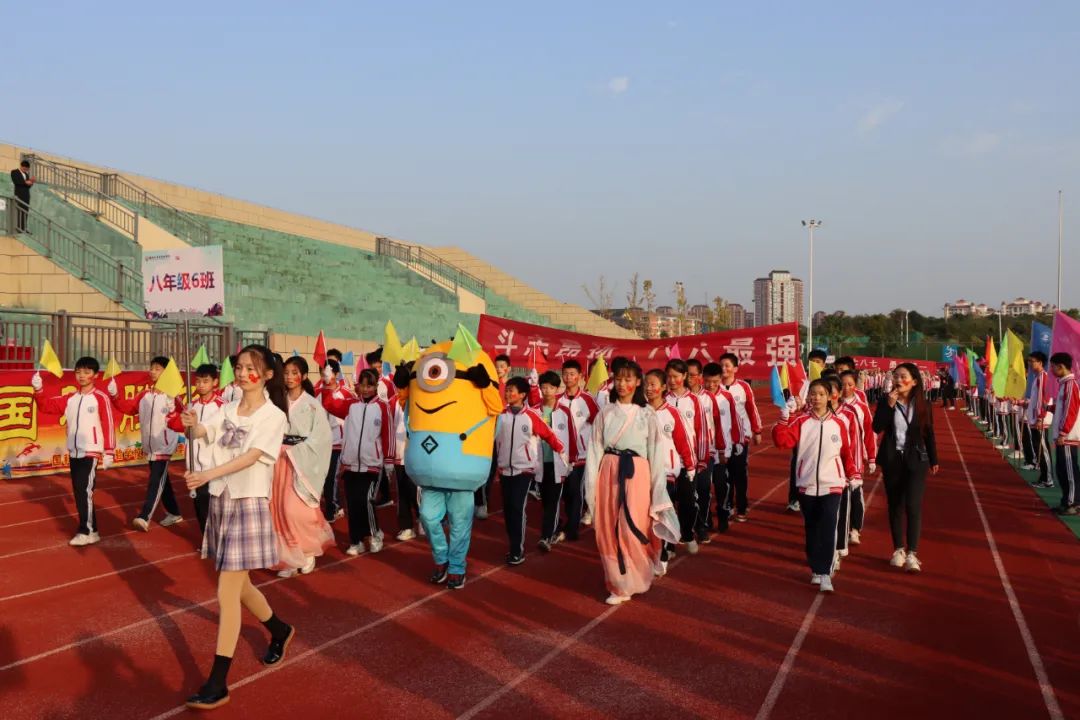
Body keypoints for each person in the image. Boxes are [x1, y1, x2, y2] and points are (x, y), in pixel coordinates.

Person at [180, 345, 294, 710]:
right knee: (241, 585)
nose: (244, 373)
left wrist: (206, 474)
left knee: (227, 590)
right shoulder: (227, 408)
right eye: (240, 367)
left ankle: (218, 682)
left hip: (247, 502)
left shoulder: (274, 416)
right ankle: (279, 630)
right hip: (221, 500)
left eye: (251, 367)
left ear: (268, 374)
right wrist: (192, 425)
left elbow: (250, 457)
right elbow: (207, 433)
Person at [583, 361, 679, 605]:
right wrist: (591, 489)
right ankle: (619, 583)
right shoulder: (605, 413)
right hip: (609, 472)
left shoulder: (647, 415)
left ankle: (639, 573)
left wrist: (657, 490)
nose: (623, 385)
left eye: (628, 380)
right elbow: (594, 452)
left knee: (632, 527)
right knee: (608, 528)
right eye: (619, 380)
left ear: (638, 382)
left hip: (637, 474)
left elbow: (656, 455)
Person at [773, 379, 858, 593]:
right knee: (812, 528)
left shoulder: (839, 423)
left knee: (829, 526)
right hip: (807, 484)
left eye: (821, 394)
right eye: (813, 393)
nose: (816, 397)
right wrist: (784, 418)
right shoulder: (801, 421)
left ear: (830, 397)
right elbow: (782, 442)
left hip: (833, 485)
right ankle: (815, 568)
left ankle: (826, 573)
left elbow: (846, 451)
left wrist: (853, 473)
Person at [31, 357, 115, 546]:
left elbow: (108, 424)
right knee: (81, 491)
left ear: (95, 375)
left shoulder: (100, 398)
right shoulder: (71, 398)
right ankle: (92, 531)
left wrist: (109, 451)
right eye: (78, 372)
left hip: (91, 450)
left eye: (86, 372)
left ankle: (85, 530)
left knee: (84, 491)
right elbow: (47, 407)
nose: (82, 376)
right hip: (75, 451)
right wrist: (38, 390)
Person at [271, 357, 334, 578]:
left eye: (294, 372)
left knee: (295, 509)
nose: (289, 377)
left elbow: (322, 438)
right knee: (278, 510)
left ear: (304, 376)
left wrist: (295, 450)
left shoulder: (312, 404)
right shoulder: (278, 401)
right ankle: (288, 558)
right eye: (286, 372)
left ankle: (307, 551)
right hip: (280, 462)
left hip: (301, 463)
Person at [873, 362, 939, 573]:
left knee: (913, 505)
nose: (898, 380)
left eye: (903, 377)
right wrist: (889, 405)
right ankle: (898, 550)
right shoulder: (886, 401)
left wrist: (934, 459)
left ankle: (912, 553)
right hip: (893, 459)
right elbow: (877, 427)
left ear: (914, 381)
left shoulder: (923, 405)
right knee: (895, 505)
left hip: (916, 461)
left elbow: (929, 433)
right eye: (896, 376)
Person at [109, 356, 186, 532]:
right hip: (150, 445)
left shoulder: (173, 397)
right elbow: (127, 408)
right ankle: (174, 512)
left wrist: (174, 409)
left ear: (167, 373)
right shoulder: (144, 395)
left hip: (164, 445)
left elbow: (184, 418)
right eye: (151, 368)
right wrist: (114, 395)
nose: (152, 371)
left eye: (157, 369)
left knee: (154, 481)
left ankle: (144, 516)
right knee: (161, 482)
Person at [493, 376, 565, 565]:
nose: (508, 393)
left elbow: (549, 435)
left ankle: (517, 550)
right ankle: (514, 545)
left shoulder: (531, 416)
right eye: (506, 390)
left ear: (523, 395)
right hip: (505, 470)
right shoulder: (500, 415)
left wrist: (563, 453)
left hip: (524, 470)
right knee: (508, 511)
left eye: (512, 390)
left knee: (517, 508)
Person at [322, 368, 393, 556]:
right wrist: (328, 384)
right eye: (363, 385)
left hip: (372, 464)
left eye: (370, 385)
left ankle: (374, 534)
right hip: (351, 463)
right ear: (358, 385)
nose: (366, 389)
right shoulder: (351, 405)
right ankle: (356, 541)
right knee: (353, 504)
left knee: (367, 500)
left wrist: (388, 460)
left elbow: (388, 434)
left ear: (376, 386)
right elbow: (329, 404)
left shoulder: (383, 407)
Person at [644, 368, 695, 573]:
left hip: (667, 472)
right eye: (646, 384)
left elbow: (683, 441)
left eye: (653, 384)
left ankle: (663, 554)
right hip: (644, 472)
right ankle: (653, 551)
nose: (649, 388)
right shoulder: (640, 411)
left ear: (663, 387)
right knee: (648, 515)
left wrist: (689, 465)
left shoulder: (672, 413)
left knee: (662, 513)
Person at [166, 363, 224, 532]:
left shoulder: (222, 406)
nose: (201, 385)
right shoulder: (192, 406)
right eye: (198, 381)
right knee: (199, 506)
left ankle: (219, 540)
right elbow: (178, 427)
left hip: (214, 466)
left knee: (214, 507)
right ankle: (206, 540)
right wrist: (172, 408)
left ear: (215, 382)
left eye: (205, 381)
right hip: (194, 467)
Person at [663, 359, 705, 553]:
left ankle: (687, 534)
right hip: (667, 461)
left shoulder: (694, 400)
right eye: (669, 377)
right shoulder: (662, 398)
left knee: (688, 500)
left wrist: (701, 458)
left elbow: (701, 429)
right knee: (668, 502)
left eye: (676, 377)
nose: (672, 380)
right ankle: (669, 543)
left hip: (689, 459)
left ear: (685, 377)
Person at [557, 359, 600, 539]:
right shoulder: (558, 400)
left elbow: (597, 423)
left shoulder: (588, 400)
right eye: (565, 374)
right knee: (565, 492)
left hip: (581, 455)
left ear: (580, 377)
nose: (568, 377)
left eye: (572, 374)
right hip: (561, 455)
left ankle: (572, 527)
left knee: (576, 491)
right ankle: (566, 521)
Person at [719, 353, 762, 522]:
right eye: (722, 365)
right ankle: (727, 505)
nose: (724, 369)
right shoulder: (715, 387)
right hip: (721, 438)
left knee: (739, 473)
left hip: (740, 438)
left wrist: (757, 431)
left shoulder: (743, 387)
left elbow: (752, 409)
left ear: (735, 368)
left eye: (728, 365)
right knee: (724, 474)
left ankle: (742, 506)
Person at [535, 371, 575, 551]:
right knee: (545, 499)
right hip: (540, 462)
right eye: (544, 387)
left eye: (551, 387)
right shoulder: (534, 410)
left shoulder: (564, 411)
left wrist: (571, 460)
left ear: (557, 389)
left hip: (559, 463)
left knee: (553, 500)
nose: (547, 391)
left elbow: (572, 437)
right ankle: (556, 526)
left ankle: (546, 536)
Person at [838, 370, 876, 547]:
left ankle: (855, 529)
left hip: (856, 458)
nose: (846, 388)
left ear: (856, 386)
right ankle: (840, 531)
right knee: (839, 497)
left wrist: (872, 458)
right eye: (843, 384)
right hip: (837, 460)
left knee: (855, 494)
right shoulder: (833, 405)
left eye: (850, 385)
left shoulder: (860, 407)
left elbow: (869, 432)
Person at [702, 362, 736, 533]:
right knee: (705, 487)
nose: (711, 385)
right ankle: (706, 518)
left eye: (715, 381)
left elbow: (734, 421)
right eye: (708, 381)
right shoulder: (699, 398)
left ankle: (722, 513)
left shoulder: (727, 397)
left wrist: (735, 442)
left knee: (722, 485)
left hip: (723, 450)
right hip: (705, 451)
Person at [1049, 353, 1079, 515]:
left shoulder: (1070, 385)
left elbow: (1071, 411)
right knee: (1062, 469)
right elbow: (1063, 408)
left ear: (1061, 366)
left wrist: (1063, 432)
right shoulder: (1064, 384)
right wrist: (1049, 409)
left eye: (1053, 366)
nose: (1052, 369)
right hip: (1063, 435)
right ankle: (1067, 500)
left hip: (1067, 437)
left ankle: (1072, 503)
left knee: (1069, 471)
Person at [1022, 351, 1055, 489]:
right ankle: (1043, 477)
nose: (1030, 364)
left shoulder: (1043, 377)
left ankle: (1048, 479)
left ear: (1040, 362)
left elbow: (1044, 399)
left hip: (1040, 419)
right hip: (1035, 419)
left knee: (1043, 449)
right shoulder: (1037, 378)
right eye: (1029, 361)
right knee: (1038, 448)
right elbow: (1035, 400)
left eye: (1033, 361)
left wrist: (1041, 417)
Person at [10, 159, 34, 233]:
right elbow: (16, 182)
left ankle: (23, 228)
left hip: (26, 196)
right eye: (24, 168)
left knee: (25, 211)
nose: (25, 170)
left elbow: (27, 186)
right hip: (19, 195)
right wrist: (26, 182)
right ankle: (18, 228)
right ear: (21, 166)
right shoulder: (14, 172)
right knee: (19, 211)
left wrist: (31, 182)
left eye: (27, 169)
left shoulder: (26, 174)